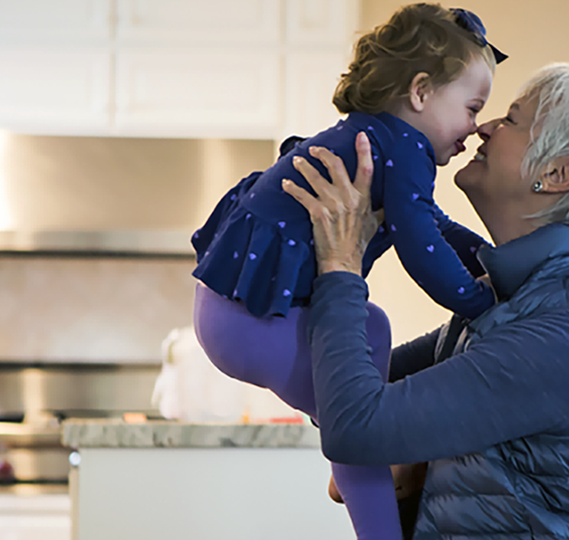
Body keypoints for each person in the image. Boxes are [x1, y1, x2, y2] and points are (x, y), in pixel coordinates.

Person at [286, 55, 569, 538]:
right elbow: (328, 389)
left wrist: (340, 266)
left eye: (512, 120)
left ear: (557, 174)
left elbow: (354, 426)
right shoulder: (512, 301)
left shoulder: (567, 334)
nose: (485, 127)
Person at [189, 4, 504, 538]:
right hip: (251, 325)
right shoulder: (403, 150)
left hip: (226, 315)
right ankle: (373, 500)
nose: (475, 129)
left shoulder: (376, 138)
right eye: (472, 108)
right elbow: (422, 247)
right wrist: (479, 303)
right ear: (421, 92)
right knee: (362, 432)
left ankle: (362, 464)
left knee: (372, 329)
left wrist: (491, 264)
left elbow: (432, 224)